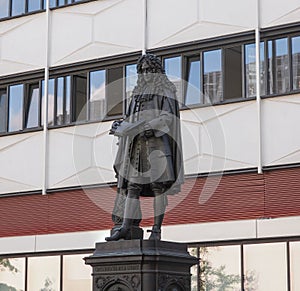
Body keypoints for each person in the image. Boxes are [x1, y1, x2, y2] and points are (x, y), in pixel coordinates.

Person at [105, 54, 184, 241]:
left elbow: (169, 117)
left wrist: (149, 126)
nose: (147, 74)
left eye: (150, 70)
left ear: (157, 71)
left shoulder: (166, 90)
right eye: (143, 70)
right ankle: (125, 227)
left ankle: (156, 230)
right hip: (137, 146)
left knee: (158, 187)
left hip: (157, 145)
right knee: (132, 186)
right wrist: (119, 125)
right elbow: (130, 118)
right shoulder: (137, 93)